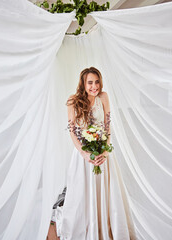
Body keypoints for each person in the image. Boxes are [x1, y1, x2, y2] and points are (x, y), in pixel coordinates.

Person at [52, 67, 136, 239]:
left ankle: (105, 229)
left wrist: (104, 153)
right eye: (90, 82)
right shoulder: (72, 101)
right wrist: (84, 154)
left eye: (97, 82)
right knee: (82, 196)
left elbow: (107, 127)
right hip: (83, 157)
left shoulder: (103, 97)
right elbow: (72, 131)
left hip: (102, 154)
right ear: (83, 83)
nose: (94, 86)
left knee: (105, 194)